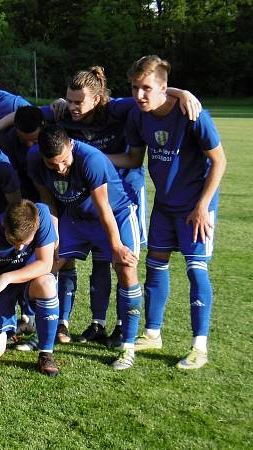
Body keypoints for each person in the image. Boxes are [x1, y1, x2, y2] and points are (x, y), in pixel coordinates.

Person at [41, 67, 201, 347]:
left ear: (97, 97)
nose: (73, 107)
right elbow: (26, 114)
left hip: (122, 197)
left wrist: (181, 92)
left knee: (120, 260)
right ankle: (91, 324)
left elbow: (151, 96)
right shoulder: (65, 113)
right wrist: (59, 104)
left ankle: (121, 326)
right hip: (82, 200)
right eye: (69, 100)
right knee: (76, 260)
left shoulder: (118, 109)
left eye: (79, 101)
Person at [109, 55, 226, 370]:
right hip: (164, 204)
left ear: (164, 88)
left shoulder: (192, 113)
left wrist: (203, 206)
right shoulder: (138, 115)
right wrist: (91, 156)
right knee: (155, 266)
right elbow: (133, 159)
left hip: (195, 207)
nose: (139, 95)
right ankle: (153, 334)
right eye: (135, 88)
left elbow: (219, 161)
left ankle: (199, 346)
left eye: (146, 88)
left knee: (196, 270)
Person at [28, 124, 143, 370]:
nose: (59, 168)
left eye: (63, 161)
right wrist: (54, 236)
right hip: (74, 217)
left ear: (71, 145)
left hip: (115, 214)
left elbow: (104, 208)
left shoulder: (91, 159)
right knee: (49, 263)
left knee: (125, 267)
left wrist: (116, 247)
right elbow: (48, 201)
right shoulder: (34, 160)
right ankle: (44, 336)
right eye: (52, 164)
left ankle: (128, 347)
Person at [0, 200, 60, 376]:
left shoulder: (41, 215)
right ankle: (7, 326)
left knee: (47, 284)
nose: (19, 247)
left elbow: (46, 264)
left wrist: (7, 277)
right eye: (13, 240)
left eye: (25, 242)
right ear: (4, 223)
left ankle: (46, 353)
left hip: (27, 279)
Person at [0, 105, 45, 202]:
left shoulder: (52, 131)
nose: (30, 145)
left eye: (35, 141)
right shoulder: (7, 140)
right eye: (24, 141)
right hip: (24, 187)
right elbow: (12, 177)